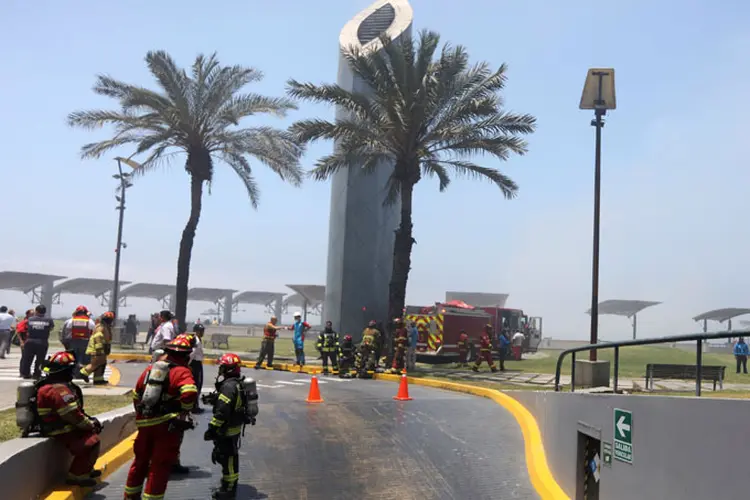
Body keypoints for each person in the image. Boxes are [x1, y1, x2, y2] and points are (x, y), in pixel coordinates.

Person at [124, 336, 197, 500]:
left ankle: (130, 497)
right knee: (159, 466)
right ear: (186, 356)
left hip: (144, 423)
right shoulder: (182, 371)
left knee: (139, 463)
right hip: (166, 425)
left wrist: (142, 416)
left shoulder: (150, 369)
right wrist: (183, 413)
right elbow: (190, 392)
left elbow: (137, 394)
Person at [36, 351, 103, 486]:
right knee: (91, 441)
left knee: (91, 436)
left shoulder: (54, 386)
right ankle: (76, 475)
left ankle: (86, 469)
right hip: (60, 429)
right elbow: (72, 415)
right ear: (65, 370)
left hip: (62, 426)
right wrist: (90, 424)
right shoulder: (58, 390)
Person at [203, 353, 258, 499]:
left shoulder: (229, 386)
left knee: (228, 458)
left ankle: (229, 489)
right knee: (228, 456)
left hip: (227, 429)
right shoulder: (236, 383)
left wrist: (212, 429)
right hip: (234, 427)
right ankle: (228, 482)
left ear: (227, 369)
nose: (220, 369)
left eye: (222, 366)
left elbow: (222, 411)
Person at [80, 312, 114, 384]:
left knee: (102, 364)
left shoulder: (105, 326)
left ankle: (98, 379)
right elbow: (98, 337)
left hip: (102, 348)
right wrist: (99, 349)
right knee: (96, 363)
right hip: (98, 349)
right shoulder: (101, 327)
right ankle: (84, 373)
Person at [21, 305, 54, 379]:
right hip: (42, 341)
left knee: (28, 358)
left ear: (36, 311)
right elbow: (51, 328)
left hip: (30, 341)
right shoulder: (49, 320)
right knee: (40, 359)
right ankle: (37, 373)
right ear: (45, 312)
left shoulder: (30, 319)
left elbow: (26, 327)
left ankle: (26, 374)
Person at [61, 306, 96, 374]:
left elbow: (66, 332)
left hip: (73, 342)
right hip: (85, 342)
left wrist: (65, 342)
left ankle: (74, 372)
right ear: (86, 312)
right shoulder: (90, 321)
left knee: (73, 358)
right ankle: (81, 372)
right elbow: (94, 331)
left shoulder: (70, 321)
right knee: (84, 358)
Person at [188, 327, 205, 413]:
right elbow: (192, 353)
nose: (202, 332)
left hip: (197, 363)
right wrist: (188, 364)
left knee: (198, 384)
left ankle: (195, 404)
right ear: (197, 331)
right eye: (201, 331)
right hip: (195, 364)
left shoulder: (198, 339)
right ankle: (194, 406)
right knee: (197, 384)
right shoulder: (196, 341)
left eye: (203, 331)